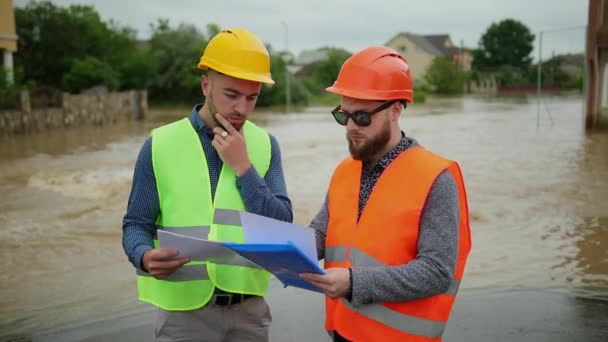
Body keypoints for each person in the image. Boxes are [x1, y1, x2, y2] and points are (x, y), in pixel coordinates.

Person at [122, 27, 293, 342]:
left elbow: (282, 226)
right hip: (183, 318)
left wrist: (244, 168)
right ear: (206, 85)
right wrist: (144, 255)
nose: (241, 108)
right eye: (231, 94)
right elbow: (135, 225)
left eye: (251, 97)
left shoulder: (266, 145)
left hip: (249, 314)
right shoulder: (159, 144)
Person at [300, 46, 471, 342]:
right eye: (344, 116)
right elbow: (321, 233)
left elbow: (436, 272)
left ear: (395, 110)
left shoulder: (436, 178)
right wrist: (277, 249)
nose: (351, 128)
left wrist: (353, 282)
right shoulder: (345, 170)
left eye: (362, 117)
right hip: (343, 331)